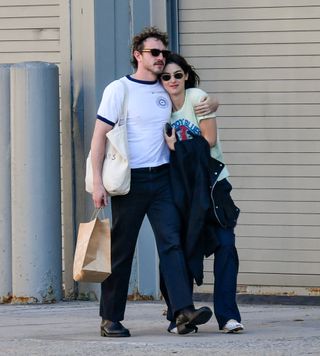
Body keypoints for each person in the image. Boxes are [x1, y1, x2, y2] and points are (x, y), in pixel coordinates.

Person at [90, 27, 219, 337]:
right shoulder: (118, 89)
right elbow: (98, 138)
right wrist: (96, 182)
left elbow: (191, 100)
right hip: (130, 181)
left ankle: (183, 311)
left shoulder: (165, 89)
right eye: (154, 53)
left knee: (172, 244)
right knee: (123, 250)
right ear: (138, 55)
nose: (161, 58)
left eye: (163, 52)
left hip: (163, 179)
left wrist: (213, 104)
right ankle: (110, 318)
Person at [161, 52, 244, 334]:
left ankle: (228, 316)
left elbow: (208, 140)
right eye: (166, 76)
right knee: (177, 251)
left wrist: (177, 148)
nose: (172, 81)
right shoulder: (157, 106)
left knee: (226, 246)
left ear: (186, 76)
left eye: (178, 75)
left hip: (212, 186)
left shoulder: (197, 98)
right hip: (180, 191)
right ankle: (179, 316)